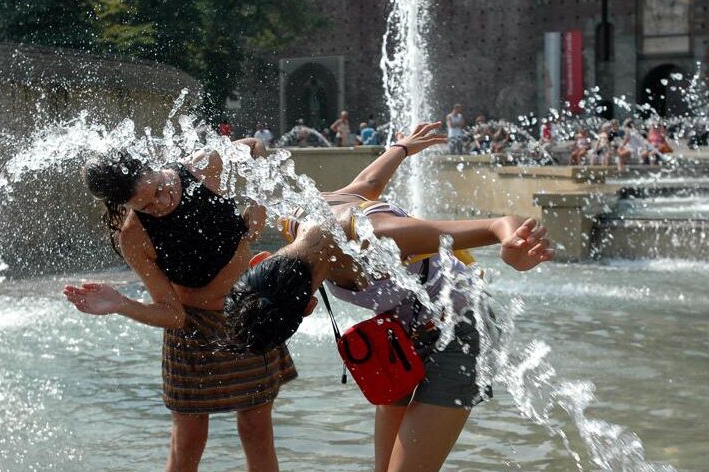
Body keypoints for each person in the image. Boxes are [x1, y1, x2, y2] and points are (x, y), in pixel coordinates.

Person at [224, 122, 554, 472]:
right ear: (262, 261)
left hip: (461, 330)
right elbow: (365, 186)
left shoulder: (378, 240)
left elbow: (496, 225)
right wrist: (402, 148)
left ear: (308, 306)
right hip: (398, 339)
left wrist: (513, 247)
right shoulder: (294, 222)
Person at [63, 138, 297, 472]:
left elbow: (255, 148)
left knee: (256, 429)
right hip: (192, 331)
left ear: (153, 167)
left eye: (158, 189)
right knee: (188, 439)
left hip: (246, 314)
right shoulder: (134, 237)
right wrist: (121, 303)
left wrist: (258, 207)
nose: (161, 202)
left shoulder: (202, 167)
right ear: (125, 205)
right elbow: (173, 315)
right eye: (146, 205)